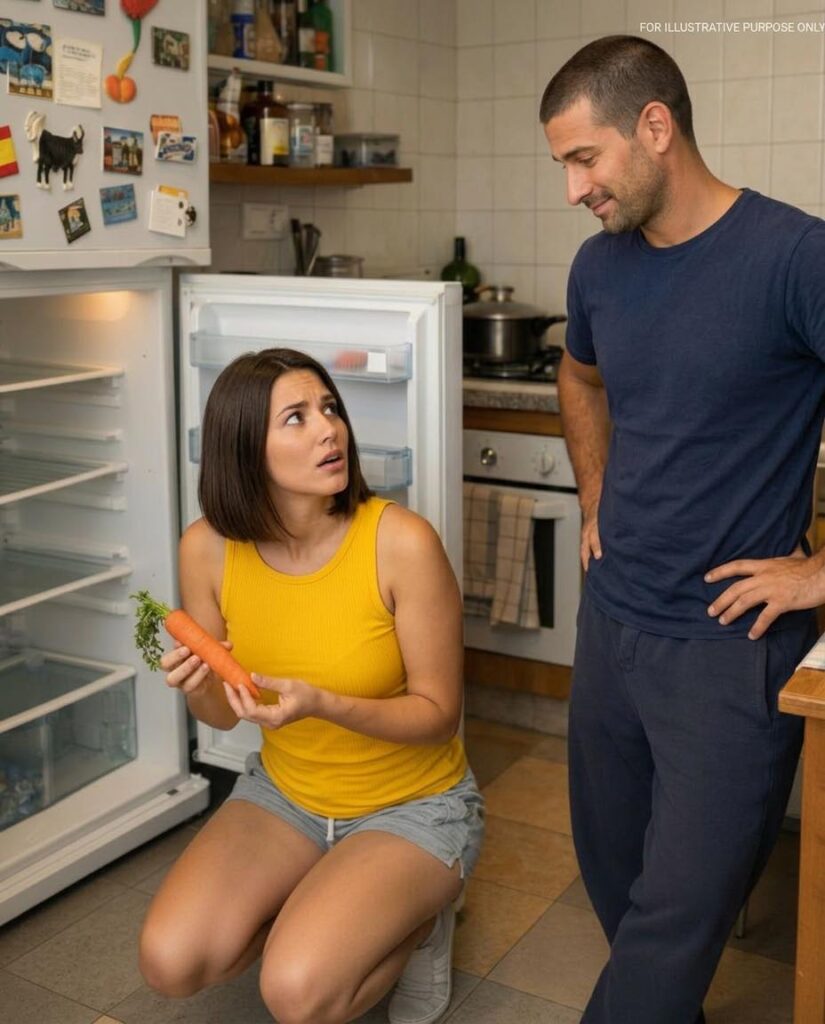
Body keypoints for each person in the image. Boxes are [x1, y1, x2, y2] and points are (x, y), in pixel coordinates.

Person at [540, 35, 825, 1024]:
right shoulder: (598, 269)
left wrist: (823, 573)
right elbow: (578, 374)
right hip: (612, 623)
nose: (574, 188)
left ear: (654, 126)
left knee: (671, 927)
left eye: (585, 158)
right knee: (616, 879)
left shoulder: (796, 255)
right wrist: (592, 493)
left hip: (726, 644)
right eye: (563, 165)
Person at [138, 348, 484, 1024]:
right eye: (295, 418)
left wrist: (323, 705)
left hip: (412, 806)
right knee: (170, 961)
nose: (330, 429)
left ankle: (419, 924)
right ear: (244, 450)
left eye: (328, 408)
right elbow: (225, 714)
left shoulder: (399, 542)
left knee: (295, 995)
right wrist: (195, 685)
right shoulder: (206, 548)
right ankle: (330, 907)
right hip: (286, 795)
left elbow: (439, 715)